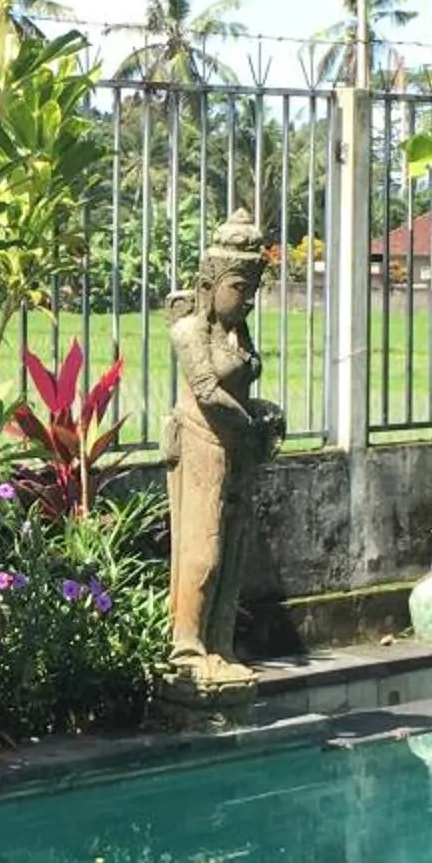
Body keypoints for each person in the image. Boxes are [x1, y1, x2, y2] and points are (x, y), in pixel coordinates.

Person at [163, 209, 286, 677]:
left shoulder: (238, 333)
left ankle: (220, 645)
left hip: (236, 449)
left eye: (253, 291)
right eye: (239, 288)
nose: (248, 300)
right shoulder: (188, 331)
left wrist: (264, 413)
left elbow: (240, 388)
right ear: (208, 285)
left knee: (232, 553)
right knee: (204, 550)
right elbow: (210, 394)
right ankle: (187, 650)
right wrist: (251, 426)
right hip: (200, 445)